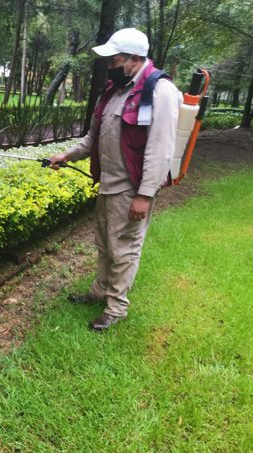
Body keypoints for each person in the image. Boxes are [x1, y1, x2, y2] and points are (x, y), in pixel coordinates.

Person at [49, 27, 181, 332]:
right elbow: (94, 138)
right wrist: (66, 156)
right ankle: (99, 291)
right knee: (105, 243)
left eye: (115, 61)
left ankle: (116, 307)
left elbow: (161, 148)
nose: (111, 67)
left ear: (136, 59)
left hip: (131, 188)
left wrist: (145, 195)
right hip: (108, 184)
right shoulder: (112, 91)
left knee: (124, 248)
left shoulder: (159, 92)